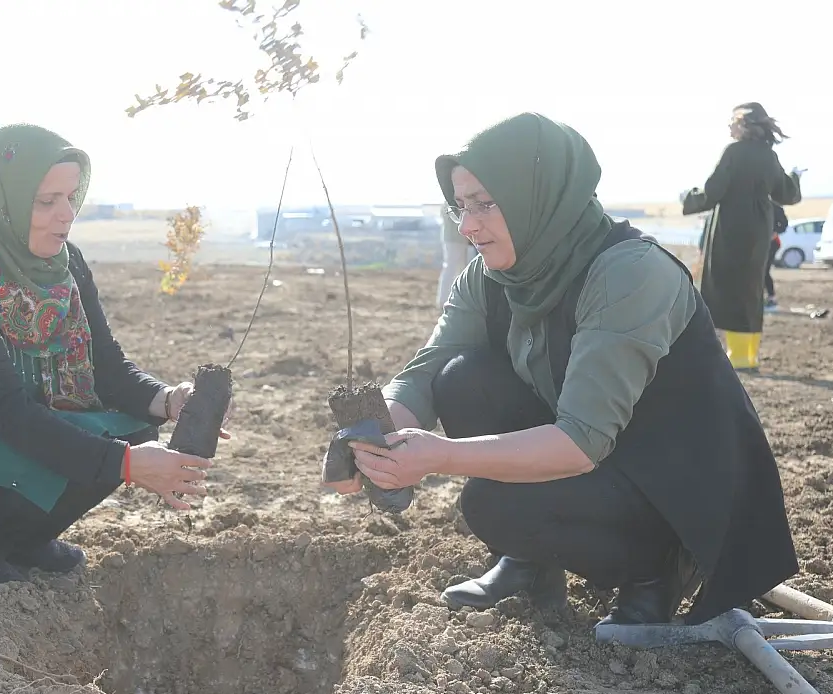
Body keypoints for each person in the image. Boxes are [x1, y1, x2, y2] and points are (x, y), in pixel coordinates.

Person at [324, 113, 799, 626]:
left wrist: (438, 456)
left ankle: (658, 570)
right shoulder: (490, 277)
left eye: (486, 203)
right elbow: (426, 370)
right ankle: (528, 565)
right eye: (460, 206)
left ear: (538, 196)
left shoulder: (629, 272)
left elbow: (580, 441)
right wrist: (378, 437)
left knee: (491, 503)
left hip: (674, 489)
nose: (467, 226)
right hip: (598, 464)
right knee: (461, 378)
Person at [0, 121, 218, 582]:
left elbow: (107, 367)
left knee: (135, 423)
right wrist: (127, 465)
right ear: (2, 200)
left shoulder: (63, 264)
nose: (66, 215)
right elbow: (7, 412)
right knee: (117, 451)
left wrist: (171, 400)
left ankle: (21, 538)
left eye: (71, 197)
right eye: (46, 202)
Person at [682, 103, 801, 370]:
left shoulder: (733, 152)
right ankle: (747, 357)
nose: (729, 126)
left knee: (725, 289)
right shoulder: (768, 155)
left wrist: (688, 198)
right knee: (749, 290)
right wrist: (795, 176)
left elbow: (712, 192)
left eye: (732, 121)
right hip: (758, 231)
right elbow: (785, 194)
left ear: (744, 124)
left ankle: (731, 356)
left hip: (730, 229)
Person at [438, 203, 477, 308]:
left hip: (454, 238)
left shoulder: (448, 202)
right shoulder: (453, 202)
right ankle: (445, 299)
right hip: (456, 239)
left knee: (458, 268)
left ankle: (455, 298)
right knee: (453, 268)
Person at [763, 202, 788, 311]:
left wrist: (774, 233)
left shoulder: (774, 206)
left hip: (771, 243)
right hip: (755, 242)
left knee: (764, 270)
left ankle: (771, 297)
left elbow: (783, 225)